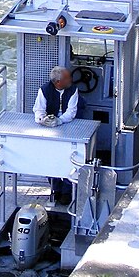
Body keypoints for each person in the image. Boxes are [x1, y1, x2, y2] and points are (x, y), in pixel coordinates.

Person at [34, 66, 82, 206]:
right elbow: (38, 110)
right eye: (67, 78)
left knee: (69, 158)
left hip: (70, 126)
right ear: (58, 82)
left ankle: (67, 191)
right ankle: (55, 188)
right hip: (50, 129)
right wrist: (43, 120)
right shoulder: (44, 90)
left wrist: (59, 121)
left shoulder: (73, 90)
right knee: (50, 158)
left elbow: (71, 112)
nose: (71, 80)